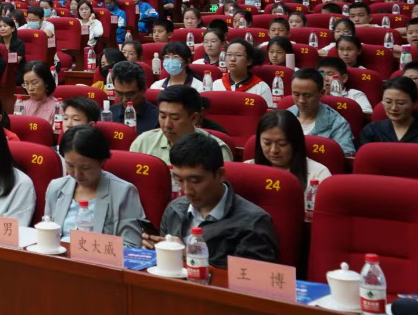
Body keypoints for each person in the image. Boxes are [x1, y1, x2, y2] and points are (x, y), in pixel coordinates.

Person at [143, 132, 279, 266]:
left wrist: (189, 257)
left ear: (220, 175)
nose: (187, 190)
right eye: (179, 180)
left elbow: (250, 278)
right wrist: (155, 250)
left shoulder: (253, 223)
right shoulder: (174, 210)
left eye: (195, 181)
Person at [46, 125, 146, 246]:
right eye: (70, 166)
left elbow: (131, 245)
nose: (77, 174)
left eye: (85, 167)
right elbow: (47, 233)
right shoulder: (56, 188)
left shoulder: (123, 192)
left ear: (101, 161)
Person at [130, 85, 233, 165]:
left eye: (175, 118)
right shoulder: (143, 143)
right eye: (162, 116)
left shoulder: (216, 150)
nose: (167, 125)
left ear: (194, 118)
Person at [250, 110, 331, 203]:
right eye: (267, 143)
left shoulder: (318, 175)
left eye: (282, 144)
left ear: (295, 142)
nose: (274, 150)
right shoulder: (248, 168)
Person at [286, 68, 355, 155]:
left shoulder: (337, 124)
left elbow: (345, 157)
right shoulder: (285, 117)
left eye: (307, 95)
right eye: (296, 94)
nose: (301, 100)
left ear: (321, 93)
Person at [359, 76, 418, 145]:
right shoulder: (372, 130)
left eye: (401, 103)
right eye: (388, 102)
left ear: (414, 103)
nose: (394, 108)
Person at [106, 60, 159, 133]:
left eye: (130, 94)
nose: (125, 99)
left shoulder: (158, 118)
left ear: (143, 90)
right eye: (119, 93)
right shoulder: (108, 115)